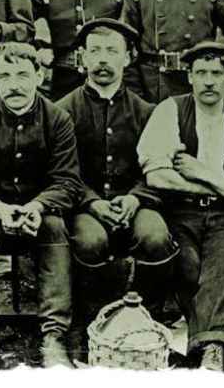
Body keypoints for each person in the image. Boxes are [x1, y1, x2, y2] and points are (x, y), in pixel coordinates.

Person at [0, 42, 84, 373]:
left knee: (55, 226)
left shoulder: (58, 119)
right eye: (5, 75)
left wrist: (39, 206)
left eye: (23, 74)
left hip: (38, 216)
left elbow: (68, 182)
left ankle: (53, 338)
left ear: (40, 76)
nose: (14, 84)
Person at [56, 18, 178, 358]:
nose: (103, 59)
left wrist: (136, 197)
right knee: (89, 240)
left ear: (128, 58)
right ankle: (92, 321)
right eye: (94, 51)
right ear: (82, 58)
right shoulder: (64, 111)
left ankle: (147, 317)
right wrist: (92, 201)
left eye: (112, 51)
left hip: (135, 204)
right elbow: (61, 171)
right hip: (85, 208)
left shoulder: (146, 112)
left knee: (155, 236)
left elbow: (159, 167)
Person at [137, 41, 224, 371]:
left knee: (222, 264)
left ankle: (210, 352)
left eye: (216, 74)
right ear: (190, 76)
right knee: (187, 264)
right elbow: (158, 176)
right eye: (201, 73)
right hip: (180, 211)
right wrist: (220, 184)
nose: (208, 81)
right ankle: (220, 346)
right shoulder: (170, 111)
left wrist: (202, 172)